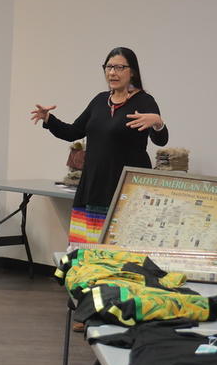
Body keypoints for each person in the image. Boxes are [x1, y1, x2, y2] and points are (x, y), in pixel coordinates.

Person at [32, 46, 169, 244]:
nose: (113, 72)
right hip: (94, 186)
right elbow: (73, 132)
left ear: (133, 72)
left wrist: (158, 122)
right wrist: (48, 119)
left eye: (120, 67)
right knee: (87, 251)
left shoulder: (144, 101)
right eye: (109, 67)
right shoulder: (99, 101)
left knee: (118, 253)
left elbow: (161, 140)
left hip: (125, 190)